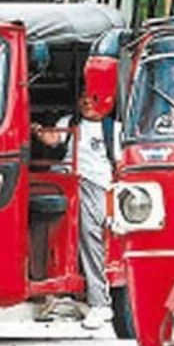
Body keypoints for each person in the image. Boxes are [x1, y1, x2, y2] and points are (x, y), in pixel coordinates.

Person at [32, 90, 119, 330]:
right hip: (67, 182)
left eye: (94, 97)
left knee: (90, 238)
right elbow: (53, 139)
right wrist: (37, 130)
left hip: (98, 187)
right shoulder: (68, 123)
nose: (87, 102)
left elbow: (122, 165)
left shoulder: (115, 130)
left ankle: (100, 303)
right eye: (83, 97)